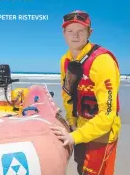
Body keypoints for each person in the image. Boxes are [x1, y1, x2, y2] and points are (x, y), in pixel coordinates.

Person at [50, 10, 121, 175]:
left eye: (81, 30)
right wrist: (71, 123)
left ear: (90, 32)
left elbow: (107, 116)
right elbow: (68, 95)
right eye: (70, 31)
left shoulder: (103, 61)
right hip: (79, 129)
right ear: (64, 34)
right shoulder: (66, 60)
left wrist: (74, 136)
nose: (75, 35)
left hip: (102, 134)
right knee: (82, 170)